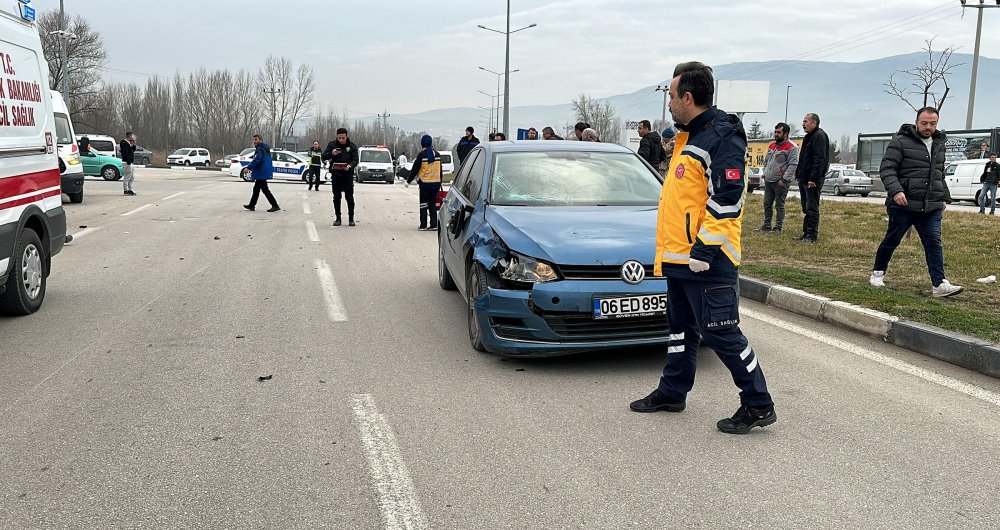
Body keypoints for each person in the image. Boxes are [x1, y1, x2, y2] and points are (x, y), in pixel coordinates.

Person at [630, 61, 776, 435]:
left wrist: (704, 252)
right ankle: (672, 392)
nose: (669, 104)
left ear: (688, 98)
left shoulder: (720, 139)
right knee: (680, 329)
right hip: (681, 260)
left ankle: (758, 403)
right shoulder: (689, 137)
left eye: (672, 96)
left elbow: (728, 200)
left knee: (721, 332)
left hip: (707, 261)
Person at [870, 107, 963, 297]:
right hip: (904, 204)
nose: (928, 127)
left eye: (932, 123)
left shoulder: (939, 143)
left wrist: (943, 196)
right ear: (916, 122)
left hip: (931, 206)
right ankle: (878, 273)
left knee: (933, 243)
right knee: (892, 239)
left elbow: (938, 173)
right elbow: (887, 169)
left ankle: (939, 284)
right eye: (924, 123)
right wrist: (896, 191)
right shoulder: (900, 142)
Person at [794, 113, 829, 242]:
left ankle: (811, 235)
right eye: (803, 121)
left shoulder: (819, 136)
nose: (803, 124)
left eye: (806, 121)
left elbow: (819, 159)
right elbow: (803, 157)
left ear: (814, 123)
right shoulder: (808, 137)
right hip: (803, 178)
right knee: (805, 207)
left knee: (812, 207)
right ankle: (806, 233)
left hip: (812, 180)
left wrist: (814, 179)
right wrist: (799, 173)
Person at [759, 123, 799, 232]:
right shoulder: (772, 145)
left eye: (779, 132)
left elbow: (793, 165)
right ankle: (767, 226)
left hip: (780, 182)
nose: (776, 134)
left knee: (779, 205)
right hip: (769, 180)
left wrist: (784, 180)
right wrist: (765, 171)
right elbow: (767, 160)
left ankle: (778, 227)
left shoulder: (792, 147)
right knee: (767, 204)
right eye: (775, 132)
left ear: (785, 134)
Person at [405, 134, 443, 231]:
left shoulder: (421, 155)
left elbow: (415, 170)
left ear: (422, 143)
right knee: (432, 204)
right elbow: (440, 171)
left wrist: (408, 181)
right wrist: (440, 182)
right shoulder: (437, 155)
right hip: (435, 184)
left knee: (423, 204)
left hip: (425, 184)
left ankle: (423, 225)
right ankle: (434, 225)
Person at [323, 128, 359, 226]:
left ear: (346, 136)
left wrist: (350, 165)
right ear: (337, 137)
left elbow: (355, 160)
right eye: (339, 138)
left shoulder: (352, 146)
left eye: (343, 138)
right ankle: (338, 218)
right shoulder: (332, 145)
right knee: (337, 196)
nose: (341, 140)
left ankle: (351, 218)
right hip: (336, 174)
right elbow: (323, 156)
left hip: (347, 174)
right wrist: (331, 153)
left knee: (349, 196)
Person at [243, 134, 280, 212]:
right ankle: (252, 205)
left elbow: (257, 159)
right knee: (257, 189)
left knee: (265, 190)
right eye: (253, 139)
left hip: (261, 171)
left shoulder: (260, 148)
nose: (254, 141)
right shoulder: (264, 148)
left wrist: (249, 167)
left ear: (260, 140)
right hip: (263, 170)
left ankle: (275, 205)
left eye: (256, 139)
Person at [119, 132, 137, 196]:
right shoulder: (124, 143)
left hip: (130, 162)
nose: (133, 137)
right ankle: (125, 190)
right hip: (126, 162)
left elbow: (132, 150)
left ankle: (130, 189)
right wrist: (128, 161)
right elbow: (125, 153)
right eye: (132, 136)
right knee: (127, 177)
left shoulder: (129, 143)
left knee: (132, 177)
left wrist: (133, 144)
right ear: (129, 136)